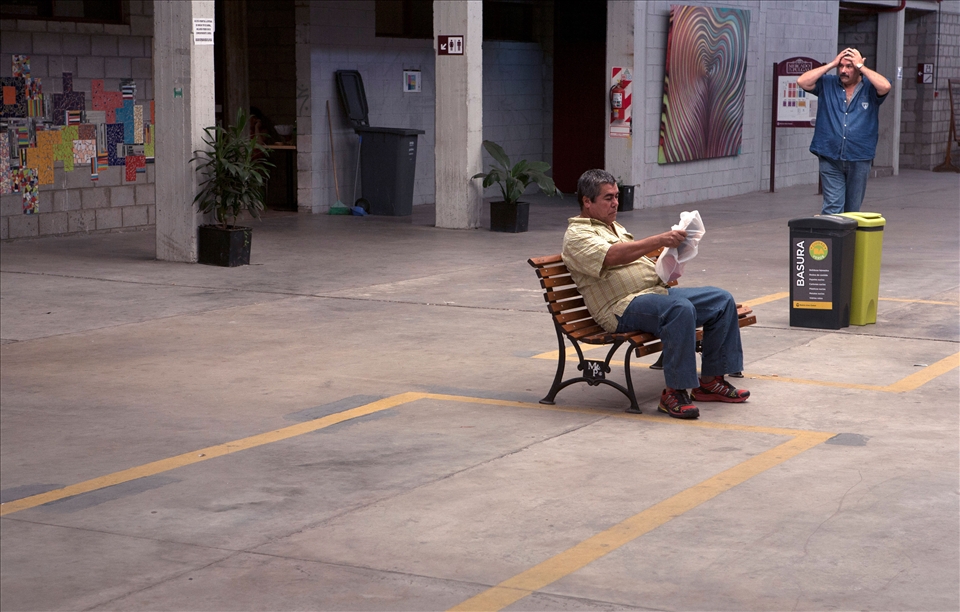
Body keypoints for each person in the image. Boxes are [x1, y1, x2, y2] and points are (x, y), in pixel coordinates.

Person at [561, 169, 749, 419]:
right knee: (679, 310)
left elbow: (632, 258)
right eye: (608, 198)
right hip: (621, 307)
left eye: (616, 196)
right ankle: (674, 393)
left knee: (721, 300)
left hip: (653, 294)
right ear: (587, 201)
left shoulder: (613, 227)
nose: (616, 202)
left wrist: (670, 261)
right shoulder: (577, 235)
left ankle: (711, 382)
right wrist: (659, 239)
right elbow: (612, 256)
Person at [797, 48, 891, 215]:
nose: (843, 71)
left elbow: (885, 86)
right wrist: (832, 64)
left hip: (859, 157)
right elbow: (802, 82)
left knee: (852, 210)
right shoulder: (827, 83)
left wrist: (861, 66)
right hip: (830, 155)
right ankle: (832, 241)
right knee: (833, 207)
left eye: (849, 66)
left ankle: (847, 241)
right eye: (841, 66)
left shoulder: (869, 87)